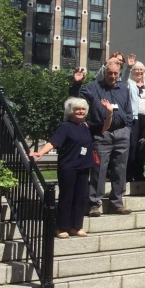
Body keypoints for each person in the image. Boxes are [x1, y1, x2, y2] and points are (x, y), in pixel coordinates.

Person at [70, 59, 133, 216]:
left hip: (121, 134)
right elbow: (75, 100)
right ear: (104, 73)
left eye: (115, 73)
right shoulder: (93, 87)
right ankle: (93, 204)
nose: (112, 76)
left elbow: (129, 111)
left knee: (120, 169)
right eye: (109, 73)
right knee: (99, 169)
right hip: (101, 133)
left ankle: (117, 203)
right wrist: (77, 84)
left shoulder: (124, 89)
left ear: (119, 74)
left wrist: (128, 129)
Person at [30, 97, 98, 238]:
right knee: (67, 197)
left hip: (84, 166)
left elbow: (106, 126)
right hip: (68, 166)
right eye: (77, 109)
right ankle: (62, 227)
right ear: (70, 111)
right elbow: (53, 142)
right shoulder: (65, 126)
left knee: (80, 197)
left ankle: (76, 227)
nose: (80, 111)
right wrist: (41, 152)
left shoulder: (86, 126)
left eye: (83, 109)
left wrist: (110, 113)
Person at [125, 59, 145, 182]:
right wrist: (128, 67)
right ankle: (128, 173)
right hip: (133, 118)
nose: (139, 72)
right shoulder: (128, 83)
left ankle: (139, 173)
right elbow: (123, 79)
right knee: (131, 146)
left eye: (141, 70)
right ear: (132, 72)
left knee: (142, 146)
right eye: (136, 69)